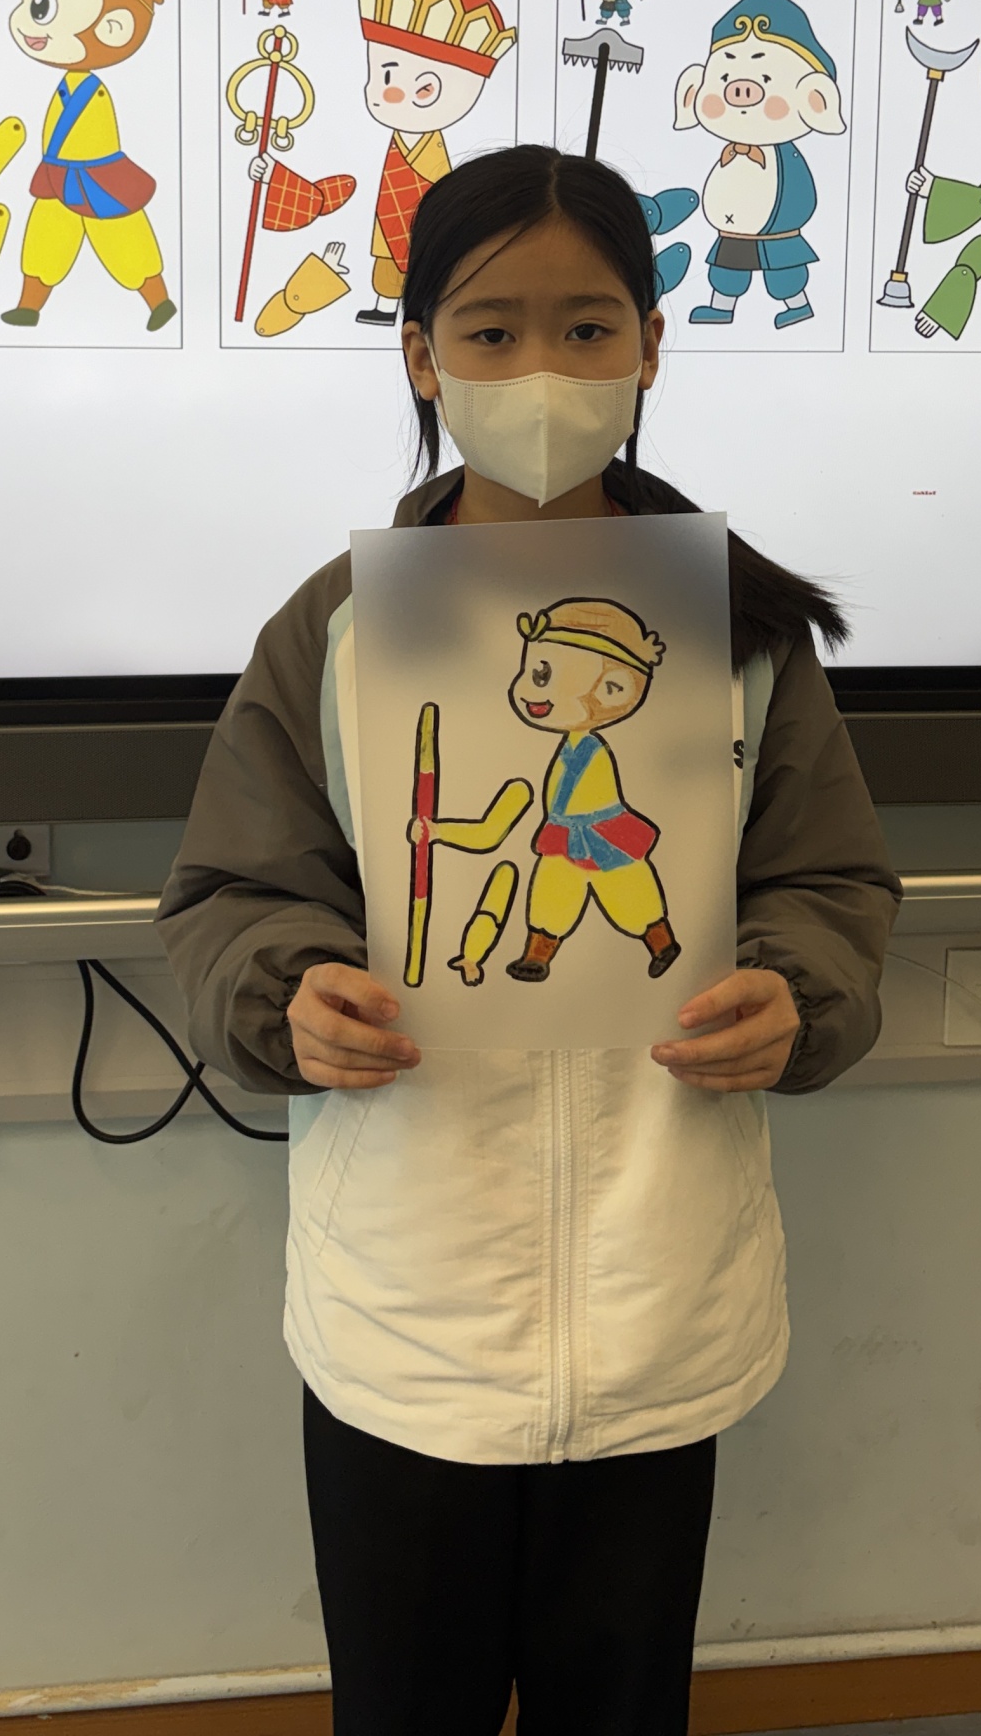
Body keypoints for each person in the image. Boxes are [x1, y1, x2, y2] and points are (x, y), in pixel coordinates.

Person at [159, 144, 899, 1736]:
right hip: (408, 1311)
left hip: (659, 1303)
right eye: (491, 332)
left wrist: (798, 995)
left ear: (650, 347)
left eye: (587, 328)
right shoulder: (338, 629)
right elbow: (232, 892)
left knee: (618, 1709)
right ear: (421, 356)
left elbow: (829, 886)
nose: (543, 372)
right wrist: (290, 997)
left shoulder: (739, 635)